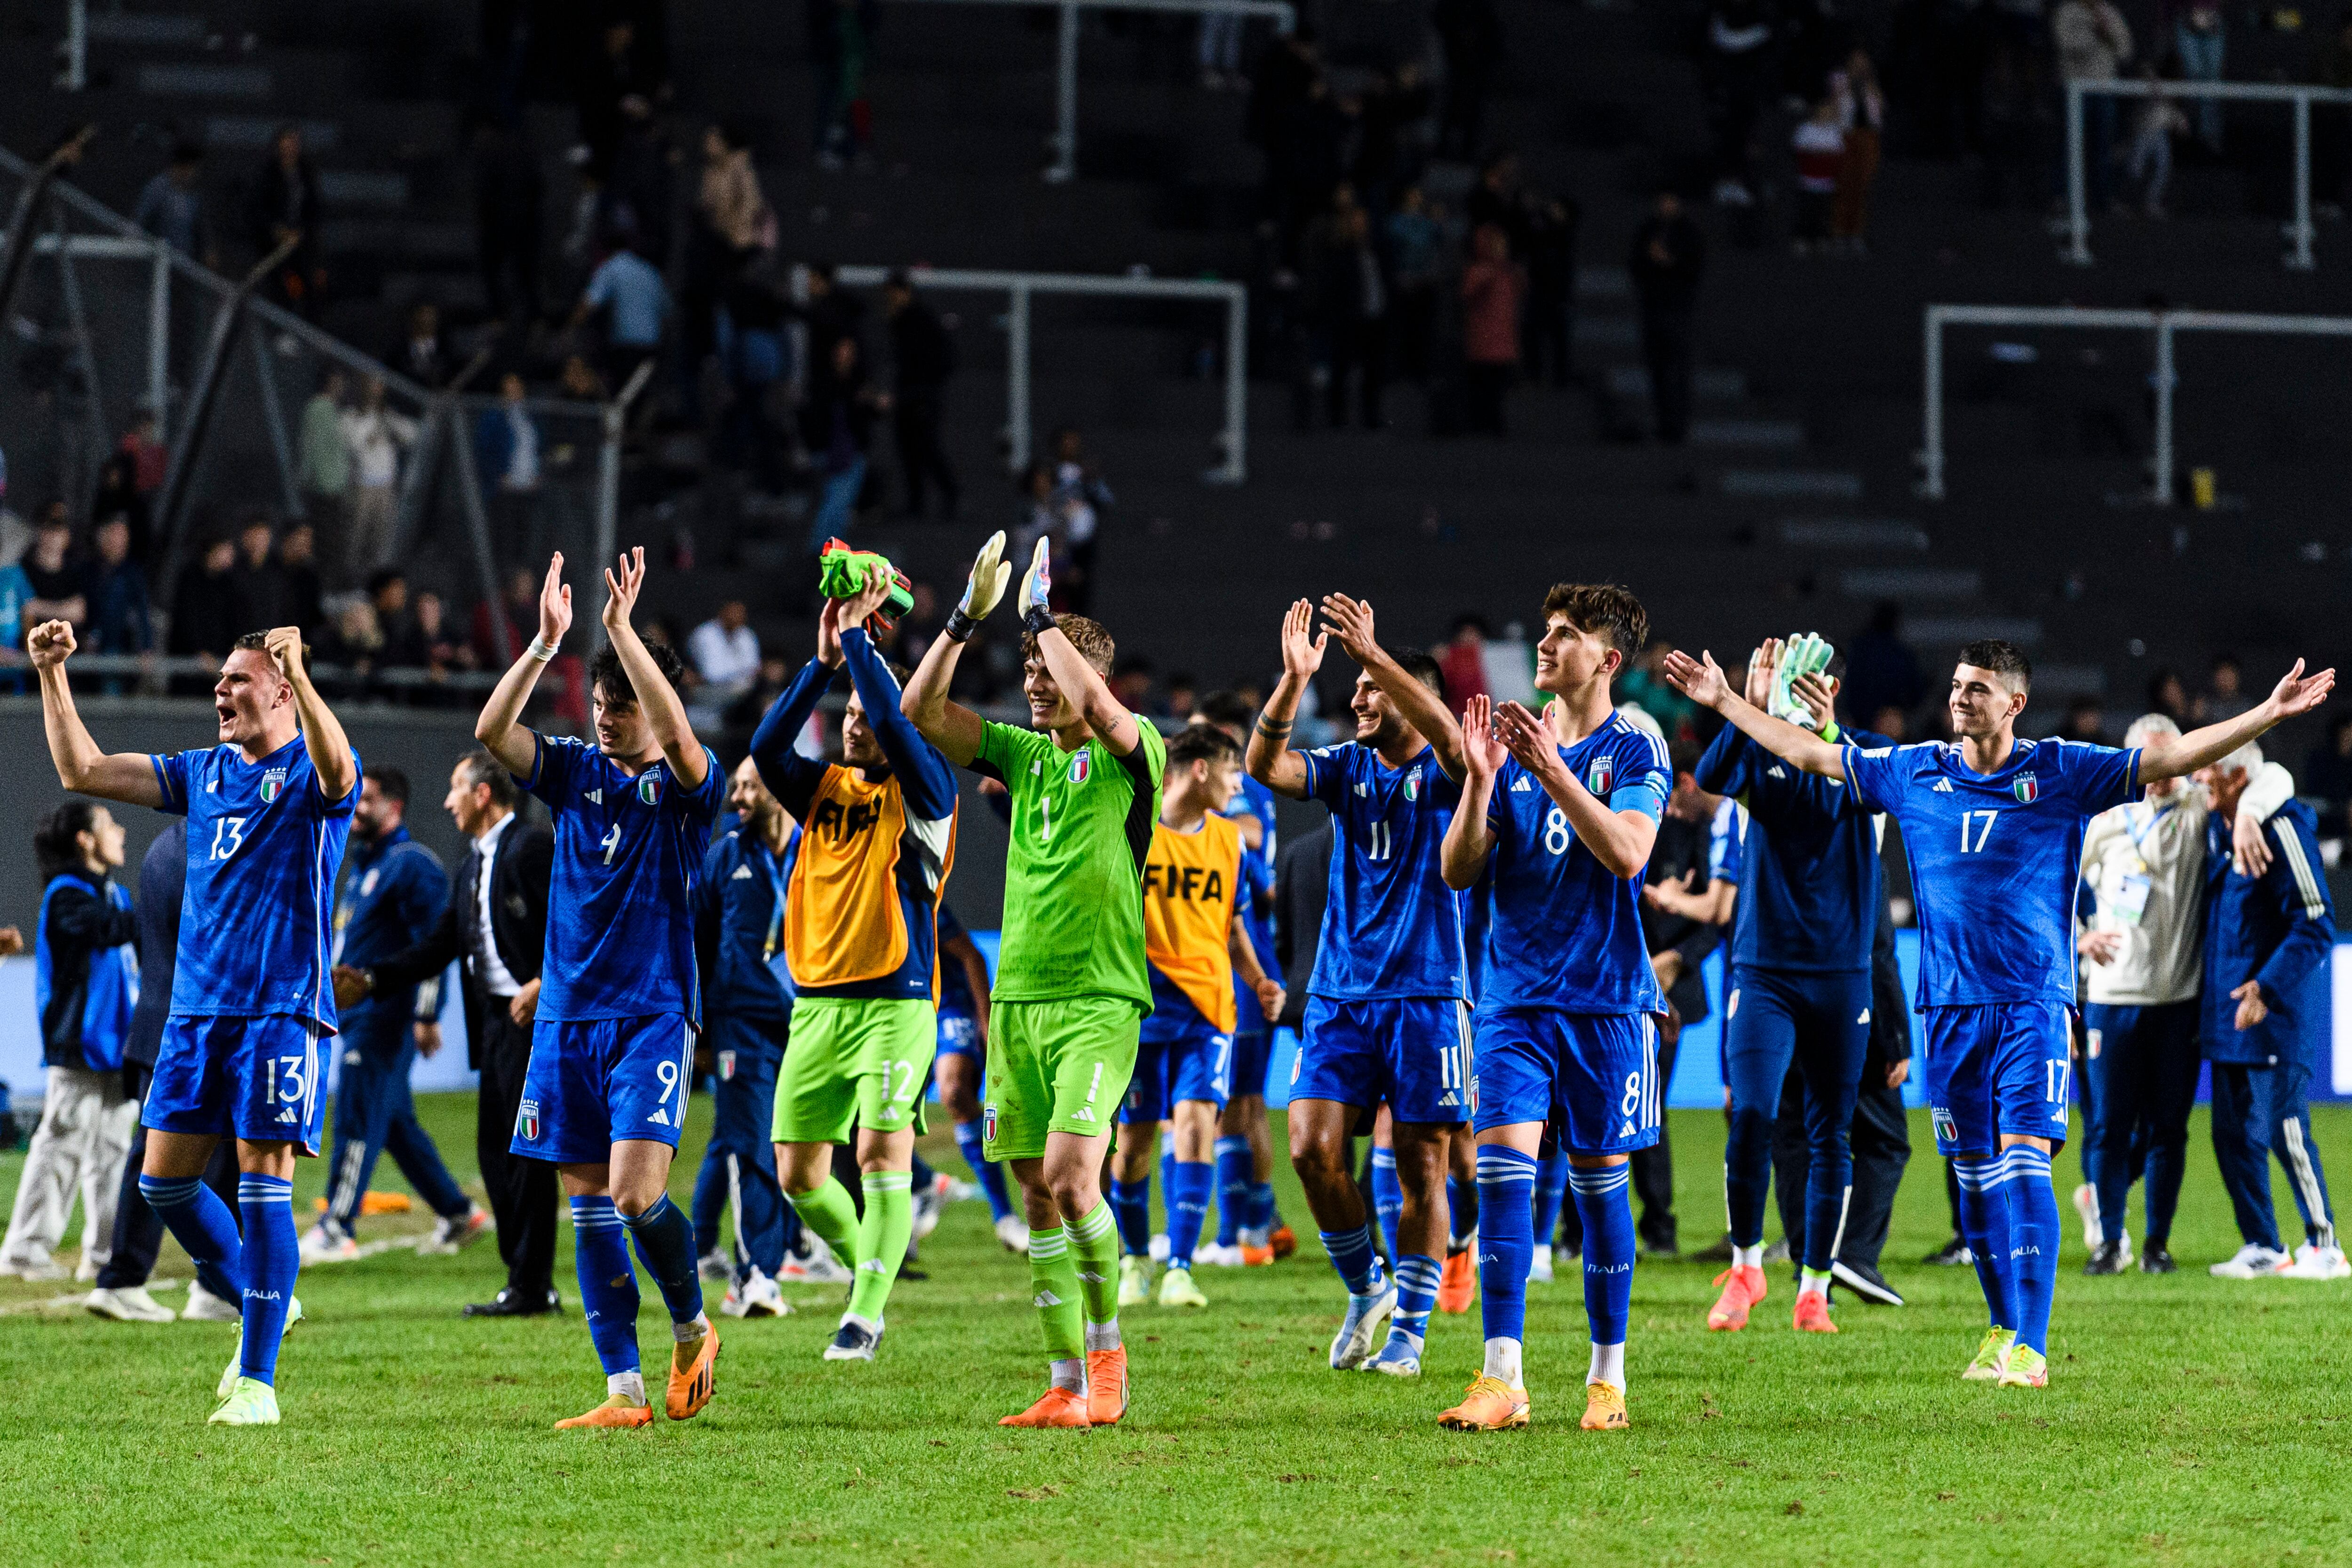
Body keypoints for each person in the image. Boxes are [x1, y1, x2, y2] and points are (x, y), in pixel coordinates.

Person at [1664, 636, 2336, 1389]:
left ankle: (2034, 1345)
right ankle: (1998, 1328)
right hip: (1949, 1008)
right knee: (1975, 1175)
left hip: (2032, 1004)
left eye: (1977, 689)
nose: (1959, 697)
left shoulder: (2059, 769)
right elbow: (1812, 753)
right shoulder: (1916, 770)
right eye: (1956, 685)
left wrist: (2266, 715)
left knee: (2023, 1166)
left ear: (2013, 703)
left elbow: (2170, 761)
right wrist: (1726, 702)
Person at [30, 615, 362, 1426]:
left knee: (262, 1187)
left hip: (279, 1010)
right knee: (162, 1181)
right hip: (194, 1012)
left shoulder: (313, 774)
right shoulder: (204, 772)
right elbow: (82, 765)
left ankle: (257, 1383)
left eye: (237, 678)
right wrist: (51, 673)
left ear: (282, 689)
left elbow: (340, 767)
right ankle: (265, 1290)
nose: (219, 689)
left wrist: (302, 670)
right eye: (218, 679)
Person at [900, 532, 1168, 1428]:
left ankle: (1108, 1352)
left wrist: (1042, 619)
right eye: (1029, 669)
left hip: (1099, 997)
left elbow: (1101, 703)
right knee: (1037, 1193)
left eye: (1047, 670)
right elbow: (919, 706)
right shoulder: (1023, 755)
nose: (1034, 682)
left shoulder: (1138, 759)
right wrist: (967, 619)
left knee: (1073, 1171)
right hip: (1019, 998)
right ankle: (1063, 1381)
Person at [471, 549, 725, 1427]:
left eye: (622, 703)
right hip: (567, 1017)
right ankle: (623, 1390)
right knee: (585, 1200)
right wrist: (545, 647)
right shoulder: (575, 769)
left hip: (653, 1013)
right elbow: (493, 732)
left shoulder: (688, 788)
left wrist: (618, 628)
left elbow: (687, 744)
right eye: (601, 701)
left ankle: (693, 1325)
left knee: (634, 1192)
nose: (608, 716)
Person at [1435, 586, 1668, 1434]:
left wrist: (1551, 771)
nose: (1545, 644)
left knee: (1600, 1186)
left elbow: (1629, 853)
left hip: (1607, 1004)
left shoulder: (1635, 741)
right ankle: (1502, 1377)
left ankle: (1607, 1379)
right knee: (1502, 1179)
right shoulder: (1512, 744)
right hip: (1513, 999)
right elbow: (1459, 870)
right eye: (1546, 630)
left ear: (1605, 660)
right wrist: (1483, 780)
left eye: (1565, 635)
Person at [1245, 593, 1470, 1380]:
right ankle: (1366, 1285)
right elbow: (1265, 767)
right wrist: (1293, 679)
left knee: (1421, 1165)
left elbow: (1450, 736)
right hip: (1340, 995)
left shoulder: (1449, 770)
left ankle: (1409, 1331)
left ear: (1410, 694)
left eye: (1371, 688)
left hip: (1429, 994)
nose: (1356, 697)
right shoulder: (1346, 767)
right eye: (1356, 687)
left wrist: (1377, 655)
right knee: (1310, 1148)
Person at [746, 567, 961, 1362]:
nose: (852, 727)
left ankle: (864, 1314)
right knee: (799, 1174)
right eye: (846, 717)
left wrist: (857, 640)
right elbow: (767, 746)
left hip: (895, 1004)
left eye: (867, 717)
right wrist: (825, 668)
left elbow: (906, 735)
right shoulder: (822, 788)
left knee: (878, 1154)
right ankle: (867, 1266)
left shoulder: (927, 793)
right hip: (817, 1004)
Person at [1685, 638, 1892, 1333]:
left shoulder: (1864, 752)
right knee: (1751, 1113)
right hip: (1765, 968)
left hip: (1841, 971)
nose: (1797, 695)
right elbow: (1713, 776)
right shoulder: (1757, 745)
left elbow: (1850, 796)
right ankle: (1746, 1267)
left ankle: (1814, 1286)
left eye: (1807, 686)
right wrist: (1746, 704)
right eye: (1787, 685)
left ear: (1832, 690)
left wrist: (1826, 732)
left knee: (1830, 1130)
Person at [339, 748, 561, 1318]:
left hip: (535, 1026)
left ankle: (533, 1288)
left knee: (528, 1159)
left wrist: (545, 982)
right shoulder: (472, 864)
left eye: (456, 789)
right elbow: (438, 946)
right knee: (496, 1155)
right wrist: (373, 978)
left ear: (483, 795)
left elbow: (575, 920)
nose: (446, 802)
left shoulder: (531, 847)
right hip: (493, 1025)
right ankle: (522, 1283)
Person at [2077, 714, 2290, 1274]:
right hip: (2110, 997)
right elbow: (2051, 883)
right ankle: (2108, 1241)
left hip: (2176, 1001)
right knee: (2106, 1125)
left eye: (2169, 763)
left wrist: (2245, 812)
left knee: (2168, 1127)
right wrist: (2081, 936)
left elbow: (2272, 778)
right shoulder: (2105, 818)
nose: (2158, 776)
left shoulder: (2198, 811)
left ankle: (2154, 1244)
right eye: (2147, 765)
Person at [1109, 726, 1285, 1309]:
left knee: (1194, 1126)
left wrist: (1259, 979)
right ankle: (1135, 1259)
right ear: (1202, 769)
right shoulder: (1133, 830)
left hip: (1210, 1010)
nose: (1239, 787)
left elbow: (1234, 925)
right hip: (1140, 1009)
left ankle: (1180, 1267)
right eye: (1234, 774)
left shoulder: (1229, 843)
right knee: (1133, 1144)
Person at [304, 768, 486, 1261]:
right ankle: (457, 1212)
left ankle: (337, 1226)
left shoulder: (412, 865)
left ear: (395, 807)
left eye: (367, 800)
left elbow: (434, 945)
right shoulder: (364, 866)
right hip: (362, 1014)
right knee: (396, 1124)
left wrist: (427, 1014)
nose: (356, 807)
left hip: (389, 1014)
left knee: (358, 1116)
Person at [2197, 742, 2346, 1280]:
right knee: (2230, 1133)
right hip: (2229, 1011)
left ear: (2239, 777)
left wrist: (2265, 987)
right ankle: (2262, 1244)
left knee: (2285, 1125)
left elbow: (2315, 921)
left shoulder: (2282, 826)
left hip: (2273, 1010)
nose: (2198, 775)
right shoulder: (2220, 829)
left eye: (2210, 767)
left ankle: (2324, 1244)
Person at [87, 823, 246, 1324]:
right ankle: (129, 1279)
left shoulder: (162, 845)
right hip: (193, 1031)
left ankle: (201, 1285)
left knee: (181, 1160)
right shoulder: (215, 844)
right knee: (185, 1163)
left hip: (158, 1024)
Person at [0, 804, 141, 1282]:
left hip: (120, 1047)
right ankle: (25, 1251)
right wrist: (169, 910)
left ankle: (102, 1257)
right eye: (109, 825)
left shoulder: (115, 895)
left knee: (114, 1152)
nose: (120, 833)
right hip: (79, 1045)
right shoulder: (68, 895)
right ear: (85, 840)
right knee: (61, 1146)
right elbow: (108, 931)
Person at [688, 756, 799, 1319]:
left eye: (752, 785)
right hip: (741, 1023)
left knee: (798, 1148)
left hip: (809, 1022)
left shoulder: (818, 849)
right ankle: (757, 1273)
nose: (739, 795)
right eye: (736, 786)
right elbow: (698, 943)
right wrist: (700, 1025)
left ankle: (781, 1255)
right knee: (751, 1143)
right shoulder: (722, 856)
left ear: (780, 790)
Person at [1192, 691, 1295, 1266]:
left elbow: (1249, 837)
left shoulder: (1237, 790)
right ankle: (1257, 1224)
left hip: (1239, 964)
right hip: (1254, 962)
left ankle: (1236, 1235)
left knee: (1233, 1102)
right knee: (1247, 1103)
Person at [933, 901, 1022, 1249]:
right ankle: (924, 1186)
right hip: (897, 1007)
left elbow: (972, 956)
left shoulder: (914, 890)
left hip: (949, 1007)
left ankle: (1005, 1216)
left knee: (954, 1092)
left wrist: (986, 1024)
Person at [1629, 192, 1705, 446]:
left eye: (1670, 200)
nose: (1665, 205)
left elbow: (1694, 268)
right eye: (1661, 200)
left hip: (1678, 309)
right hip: (1653, 307)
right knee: (1658, 370)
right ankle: (1664, 424)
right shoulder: (1648, 229)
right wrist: (1650, 261)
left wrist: (1669, 262)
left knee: (1679, 370)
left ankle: (1679, 425)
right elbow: (1635, 265)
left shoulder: (1689, 232)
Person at [884, 271, 960, 521]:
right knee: (910, 450)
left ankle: (950, 496)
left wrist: (922, 392)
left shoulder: (918, 321)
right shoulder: (904, 321)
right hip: (913, 395)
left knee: (925, 448)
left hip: (922, 397)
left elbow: (934, 361)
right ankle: (918, 503)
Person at [341, 378, 418, 579]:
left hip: (385, 486)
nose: (376, 390)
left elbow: (411, 435)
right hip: (362, 486)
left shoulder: (386, 415)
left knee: (380, 537)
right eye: (372, 385)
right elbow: (354, 444)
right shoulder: (351, 416)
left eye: (379, 386)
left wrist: (389, 422)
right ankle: (348, 578)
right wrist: (371, 429)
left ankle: (373, 580)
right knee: (356, 535)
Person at [246, 125, 325, 319]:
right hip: (272, 245)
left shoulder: (306, 173)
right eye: (287, 141)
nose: (291, 146)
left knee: (308, 289)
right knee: (276, 288)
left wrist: (300, 233)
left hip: (299, 242)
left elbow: (313, 210)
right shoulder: (267, 174)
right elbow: (258, 209)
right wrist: (277, 230)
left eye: (295, 141)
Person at [1460, 224, 1523, 436]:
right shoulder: (1480, 270)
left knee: (1498, 388)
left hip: (1503, 340)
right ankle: (1481, 424)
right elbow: (1468, 292)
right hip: (1483, 340)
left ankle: (1494, 424)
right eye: (1496, 245)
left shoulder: (1509, 272)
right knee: (1482, 387)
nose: (1501, 249)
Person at [133, 142, 217, 269]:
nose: (195, 174)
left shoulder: (194, 194)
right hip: (157, 260)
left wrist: (208, 249)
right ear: (183, 167)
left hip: (184, 262)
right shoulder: (158, 188)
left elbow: (202, 225)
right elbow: (140, 219)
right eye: (192, 169)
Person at [688, 600, 762, 708]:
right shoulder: (705, 633)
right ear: (723, 612)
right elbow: (712, 674)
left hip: (742, 689)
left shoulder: (747, 635)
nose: (737, 617)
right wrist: (741, 672)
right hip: (707, 689)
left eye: (741, 613)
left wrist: (743, 674)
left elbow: (754, 668)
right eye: (733, 612)